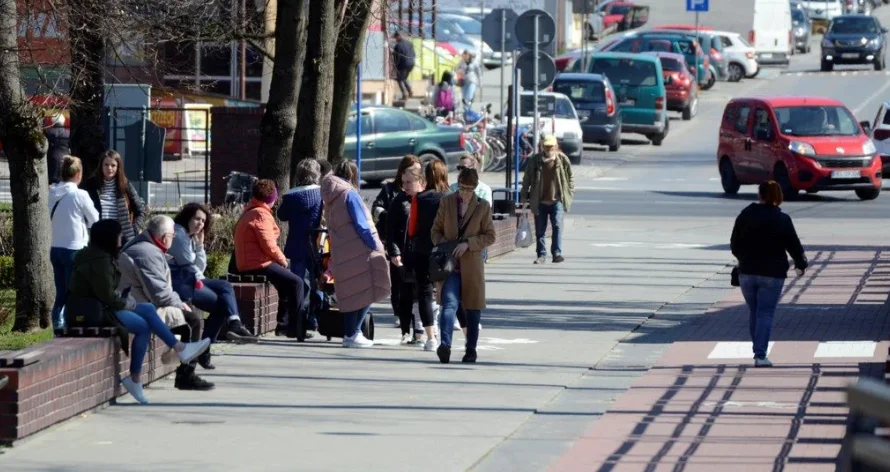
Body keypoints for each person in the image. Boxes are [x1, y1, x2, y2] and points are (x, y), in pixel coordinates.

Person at [67, 219, 210, 404]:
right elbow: (108, 297)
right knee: (143, 326)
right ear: (109, 237)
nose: (122, 238)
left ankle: (177, 350)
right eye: (118, 235)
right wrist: (130, 303)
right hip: (96, 312)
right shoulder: (100, 261)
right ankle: (138, 376)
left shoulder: (100, 255)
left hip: (104, 307)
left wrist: (128, 302)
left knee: (148, 309)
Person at [118, 215, 222, 390]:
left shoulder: (146, 247)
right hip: (140, 305)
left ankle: (179, 359)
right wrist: (178, 302)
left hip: (139, 301)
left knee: (186, 321)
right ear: (164, 237)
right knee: (193, 320)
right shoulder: (147, 252)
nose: (173, 239)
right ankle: (186, 374)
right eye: (172, 236)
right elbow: (159, 294)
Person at [730, 181, 808, 368]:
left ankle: (758, 351)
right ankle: (760, 355)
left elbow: (734, 243)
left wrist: (744, 258)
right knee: (765, 313)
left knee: (755, 312)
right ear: (778, 196)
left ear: (760, 195)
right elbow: (794, 245)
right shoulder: (782, 219)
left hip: (747, 273)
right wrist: (800, 264)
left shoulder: (745, 215)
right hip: (772, 274)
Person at [321, 160, 391, 348]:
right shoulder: (349, 194)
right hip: (359, 249)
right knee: (369, 289)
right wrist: (375, 245)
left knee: (351, 292)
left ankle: (350, 333)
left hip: (342, 249)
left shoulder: (330, 194)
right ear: (353, 175)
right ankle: (353, 333)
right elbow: (361, 224)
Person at [432, 168, 496, 364]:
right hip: (450, 265)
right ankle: (445, 345)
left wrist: (468, 244)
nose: (465, 193)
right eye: (462, 188)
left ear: (475, 188)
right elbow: (435, 231)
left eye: (469, 189)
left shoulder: (482, 206)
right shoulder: (447, 201)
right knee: (448, 304)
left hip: (472, 265)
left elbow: (490, 236)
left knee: (472, 308)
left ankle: (471, 350)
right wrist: (448, 246)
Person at [169, 204, 257, 345]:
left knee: (224, 292)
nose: (200, 224)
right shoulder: (179, 236)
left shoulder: (189, 237)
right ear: (187, 217)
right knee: (224, 299)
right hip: (181, 283)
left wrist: (199, 246)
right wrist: (200, 279)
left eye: (203, 221)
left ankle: (230, 327)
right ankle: (212, 342)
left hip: (191, 279)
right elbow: (189, 267)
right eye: (197, 219)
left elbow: (199, 268)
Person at [233, 179, 306, 339]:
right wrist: (283, 260)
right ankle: (297, 328)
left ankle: (283, 326)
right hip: (257, 263)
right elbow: (269, 245)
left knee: (285, 285)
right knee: (297, 282)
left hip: (255, 260)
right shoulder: (260, 214)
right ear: (272, 199)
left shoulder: (253, 210)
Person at [48, 156, 99, 330]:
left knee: (61, 292)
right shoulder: (80, 194)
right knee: (75, 292)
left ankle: (57, 325)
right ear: (78, 174)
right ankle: (71, 324)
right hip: (75, 248)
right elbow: (95, 219)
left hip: (56, 248)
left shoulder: (52, 192)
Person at [372, 155, 422, 328]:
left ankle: (415, 317)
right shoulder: (390, 190)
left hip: (413, 244)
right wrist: (390, 216)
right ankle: (398, 312)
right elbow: (376, 209)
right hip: (395, 240)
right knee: (397, 279)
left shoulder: (422, 193)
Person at [407, 159, 450, 351]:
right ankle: (452, 332)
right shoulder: (450, 197)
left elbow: (412, 228)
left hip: (422, 249)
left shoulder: (420, 198)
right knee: (448, 290)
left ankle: (431, 337)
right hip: (444, 250)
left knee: (424, 292)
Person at [277, 159, 324, 337]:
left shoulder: (290, 196)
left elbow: (282, 215)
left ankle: (298, 323)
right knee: (319, 281)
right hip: (317, 244)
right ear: (316, 175)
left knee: (299, 284)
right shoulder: (321, 194)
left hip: (296, 245)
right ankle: (314, 318)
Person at [520, 134, 575, 265]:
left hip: (557, 201)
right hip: (540, 201)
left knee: (557, 226)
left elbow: (570, 177)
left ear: (556, 146)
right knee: (540, 230)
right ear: (542, 147)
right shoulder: (535, 160)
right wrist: (524, 196)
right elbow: (526, 179)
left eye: (551, 146)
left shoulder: (562, 160)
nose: (549, 149)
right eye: (546, 146)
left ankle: (556, 254)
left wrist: (570, 191)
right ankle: (541, 255)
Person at [388, 166, 426, 344]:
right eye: (403, 182)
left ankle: (422, 329)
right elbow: (391, 230)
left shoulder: (427, 200)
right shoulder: (399, 201)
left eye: (409, 182)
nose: (405, 186)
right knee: (405, 294)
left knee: (422, 293)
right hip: (403, 254)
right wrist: (394, 252)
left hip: (421, 253)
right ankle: (405, 330)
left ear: (421, 182)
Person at [81, 149, 146, 245]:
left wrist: (134, 229)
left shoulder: (125, 185)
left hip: (121, 239)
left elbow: (141, 211)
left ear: (118, 167)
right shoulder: (91, 185)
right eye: (106, 165)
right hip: (98, 238)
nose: (109, 168)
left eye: (113, 165)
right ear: (101, 166)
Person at [44, 114, 70, 185]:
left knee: (51, 182)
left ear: (53, 121)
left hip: (51, 158)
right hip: (65, 159)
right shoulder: (67, 133)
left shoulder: (48, 131)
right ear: (63, 121)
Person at [392, 31, 416, 101]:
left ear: (398, 36)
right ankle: (410, 91)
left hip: (403, 64)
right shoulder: (409, 43)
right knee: (404, 78)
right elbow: (414, 54)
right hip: (411, 63)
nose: (395, 39)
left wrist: (395, 66)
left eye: (396, 37)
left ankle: (405, 94)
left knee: (399, 79)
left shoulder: (398, 45)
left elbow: (397, 57)